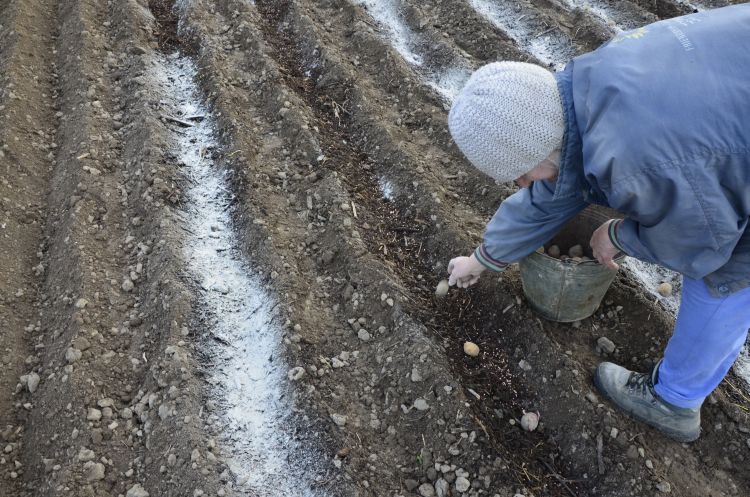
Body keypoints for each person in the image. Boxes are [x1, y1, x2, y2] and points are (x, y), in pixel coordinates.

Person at [445, 4, 750, 442]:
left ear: (535, 146)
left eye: (518, 172)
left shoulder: (636, 160)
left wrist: (619, 234)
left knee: (729, 273)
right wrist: (483, 258)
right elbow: (558, 184)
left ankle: (673, 401)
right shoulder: (587, 86)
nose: (517, 182)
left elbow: (703, 239)